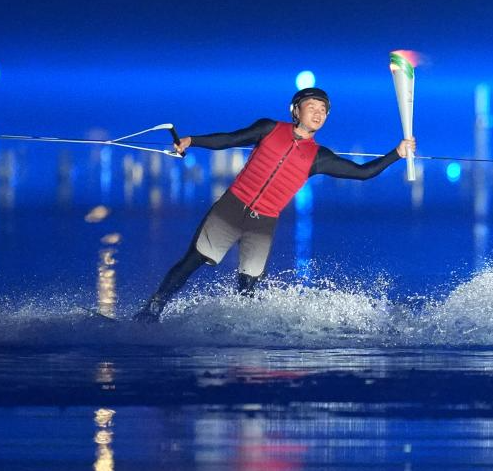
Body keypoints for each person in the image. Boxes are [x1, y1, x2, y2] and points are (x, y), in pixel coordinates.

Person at [134, 87, 416, 322]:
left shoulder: (320, 156)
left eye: (323, 110)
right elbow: (230, 139)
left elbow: (363, 173)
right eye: (312, 107)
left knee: (248, 286)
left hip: (264, 222)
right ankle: (152, 310)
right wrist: (192, 140)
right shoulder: (269, 128)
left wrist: (397, 153)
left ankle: (238, 329)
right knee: (192, 261)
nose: (318, 113)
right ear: (296, 110)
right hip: (231, 207)